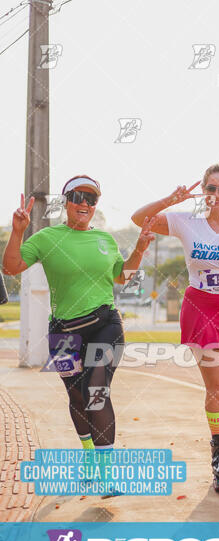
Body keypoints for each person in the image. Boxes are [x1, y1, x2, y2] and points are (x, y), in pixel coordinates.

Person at [3, 175, 155, 478]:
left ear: (96, 205)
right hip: (63, 332)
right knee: (77, 397)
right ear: (66, 202)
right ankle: (89, 457)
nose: (84, 204)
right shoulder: (46, 238)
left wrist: (138, 249)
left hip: (105, 325)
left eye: (91, 199)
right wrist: (17, 232)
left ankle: (105, 472)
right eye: (77, 197)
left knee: (96, 390)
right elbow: (11, 267)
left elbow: (122, 277)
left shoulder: (105, 239)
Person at [132, 153, 219, 492]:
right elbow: (138, 218)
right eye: (210, 188)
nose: (215, 194)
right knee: (216, 384)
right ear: (203, 190)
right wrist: (171, 200)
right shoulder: (185, 222)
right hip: (200, 308)